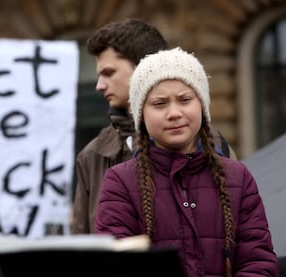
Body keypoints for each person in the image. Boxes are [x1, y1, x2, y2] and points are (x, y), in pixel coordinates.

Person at [95, 47, 279, 276]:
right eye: (160, 103)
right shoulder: (120, 182)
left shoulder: (238, 177)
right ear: (141, 115)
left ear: (202, 105)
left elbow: (258, 262)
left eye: (185, 100)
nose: (174, 113)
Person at [70, 18, 236, 234]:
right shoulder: (92, 154)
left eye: (109, 73)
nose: (99, 85)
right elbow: (80, 244)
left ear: (143, 68)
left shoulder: (211, 144)